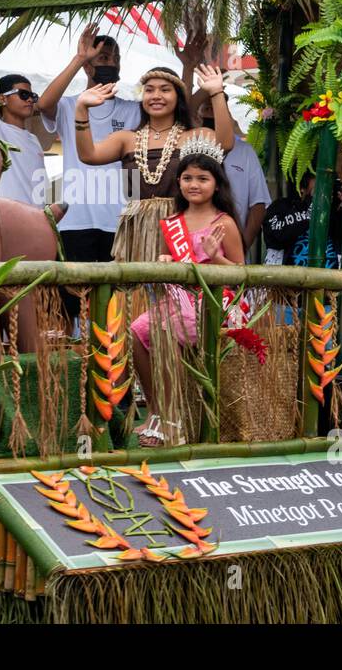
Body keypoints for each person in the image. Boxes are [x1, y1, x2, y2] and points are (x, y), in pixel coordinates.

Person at [129, 145, 245, 447]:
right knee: (137, 329)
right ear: (178, 182)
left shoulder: (224, 223)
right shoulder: (172, 222)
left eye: (202, 178)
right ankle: (156, 411)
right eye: (187, 178)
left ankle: (173, 420)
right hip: (179, 300)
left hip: (217, 302)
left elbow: (243, 274)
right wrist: (165, 262)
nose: (194, 184)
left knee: (165, 330)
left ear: (216, 184)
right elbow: (172, 261)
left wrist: (213, 258)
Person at [74, 64, 233, 264]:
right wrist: (81, 109)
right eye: (149, 90)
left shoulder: (193, 137)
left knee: (177, 292)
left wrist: (216, 93)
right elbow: (88, 155)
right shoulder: (126, 139)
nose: (156, 95)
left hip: (180, 226)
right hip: (137, 229)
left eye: (165, 90)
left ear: (178, 98)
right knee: (138, 293)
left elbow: (225, 143)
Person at [36, 26, 136, 265]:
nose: (112, 63)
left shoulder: (133, 110)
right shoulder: (69, 105)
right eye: (104, 57)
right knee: (74, 299)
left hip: (120, 221)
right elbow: (43, 103)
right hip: (74, 221)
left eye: (116, 58)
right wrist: (79, 57)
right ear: (88, 66)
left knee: (116, 301)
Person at [0, 22, 62, 218]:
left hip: (36, 222)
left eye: (32, 96)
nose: (30, 99)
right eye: (23, 94)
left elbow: (41, 187)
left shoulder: (33, 140)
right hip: (6, 220)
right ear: (2, 99)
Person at [191, 93, 268, 248]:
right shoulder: (187, 146)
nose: (210, 111)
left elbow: (259, 203)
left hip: (232, 248)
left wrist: (242, 245)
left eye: (215, 107)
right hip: (189, 245)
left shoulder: (244, 151)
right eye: (205, 108)